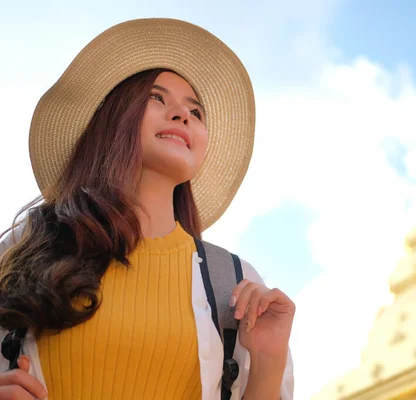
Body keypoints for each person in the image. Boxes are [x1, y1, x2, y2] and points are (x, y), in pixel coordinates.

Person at [0, 18, 294, 400]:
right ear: (113, 119)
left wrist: (269, 361)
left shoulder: (234, 285)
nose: (182, 115)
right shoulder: (31, 246)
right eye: (157, 98)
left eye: (196, 111)